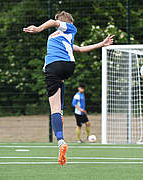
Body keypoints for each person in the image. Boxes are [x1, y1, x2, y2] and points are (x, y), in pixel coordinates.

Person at [23, 11, 114, 165]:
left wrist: (38, 29)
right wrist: (101, 44)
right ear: (68, 22)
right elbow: (78, 48)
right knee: (61, 91)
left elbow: (53, 22)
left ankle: (60, 141)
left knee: (55, 109)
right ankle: (62, 112)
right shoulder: (68, 30)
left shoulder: (56, 35)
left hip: (53, 67)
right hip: (68, 66)